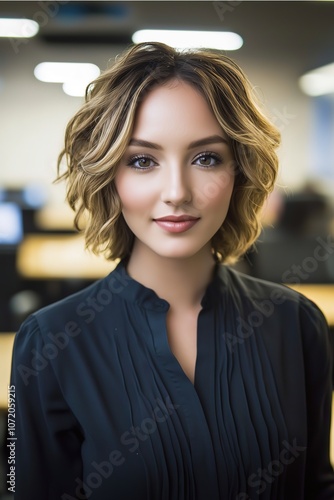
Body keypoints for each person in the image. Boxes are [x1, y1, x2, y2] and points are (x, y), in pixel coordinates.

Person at [11, 42, 334, 500]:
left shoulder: (297, 324)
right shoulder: (49, 342)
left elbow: (316, 486)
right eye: (142, 160)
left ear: (239, 171)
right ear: (110, 176)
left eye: (206, 158)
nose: (177, 192)